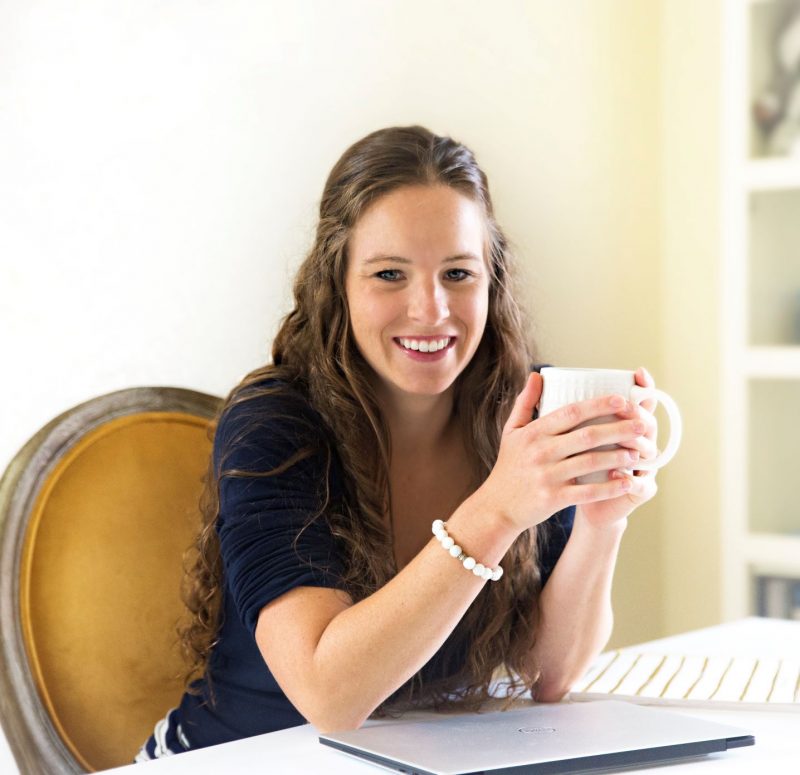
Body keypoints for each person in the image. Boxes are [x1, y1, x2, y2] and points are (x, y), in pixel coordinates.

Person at [136, 125, 658, 760]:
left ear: (491, 282)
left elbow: (549, 676)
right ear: (338, 283)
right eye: (389, 274)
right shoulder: (275, 424)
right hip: (234, 761)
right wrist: (496, 510)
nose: (431, 310)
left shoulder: (519, 410)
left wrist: (602, 520)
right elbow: (329, 695)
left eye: (458, 273)